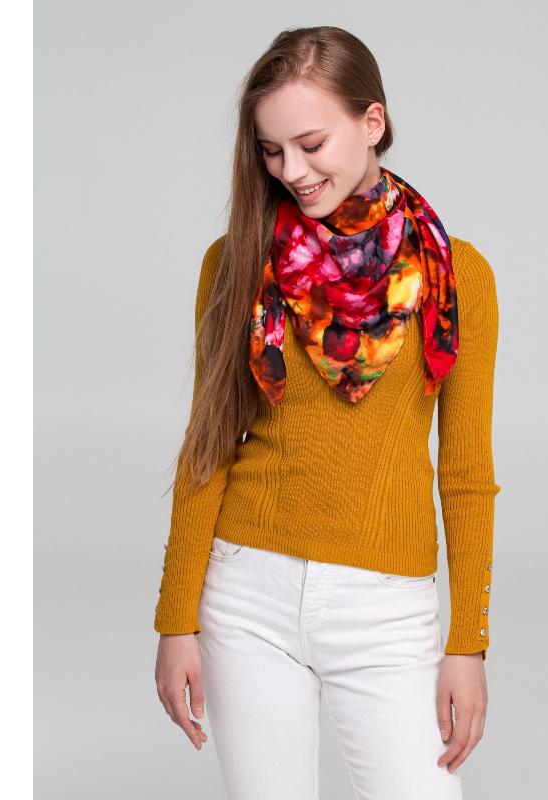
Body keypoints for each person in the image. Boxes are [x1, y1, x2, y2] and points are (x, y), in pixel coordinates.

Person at [153, 25, 501, 800]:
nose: (292, 172)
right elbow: (208, 446)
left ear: (372, 122)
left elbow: (467, 476)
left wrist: (468, 643)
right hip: (247, 595)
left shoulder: (458, 277)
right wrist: (175, 621)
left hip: (386, 610)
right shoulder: (235, 260)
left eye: (311, 144)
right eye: (271, 152)